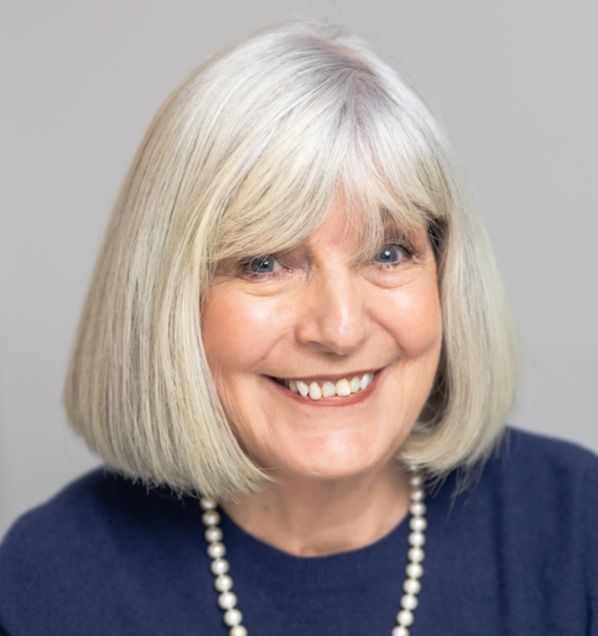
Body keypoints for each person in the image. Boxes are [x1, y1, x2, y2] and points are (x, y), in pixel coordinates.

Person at [0, 20, 596, 636]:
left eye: (389, 253)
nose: (340, 329)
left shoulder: (578, 527)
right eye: (265, 263)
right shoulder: (48, 583)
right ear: (169, 301)